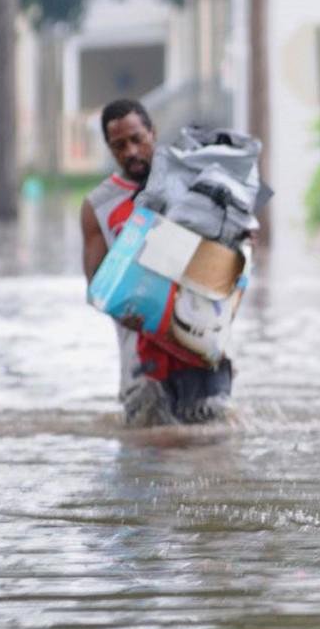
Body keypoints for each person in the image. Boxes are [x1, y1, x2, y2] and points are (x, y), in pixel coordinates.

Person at [81, 98, 233, 426]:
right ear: (110, 148)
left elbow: (237, 256)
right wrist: (123, 307)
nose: (131, 152)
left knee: (215, 451)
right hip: (142, 362)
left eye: (137, 139)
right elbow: (96, 287)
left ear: (153, 132)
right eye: (119, 145)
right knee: (149, 456)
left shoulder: (194, 185)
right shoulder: (99, 206)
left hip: (199, 348)